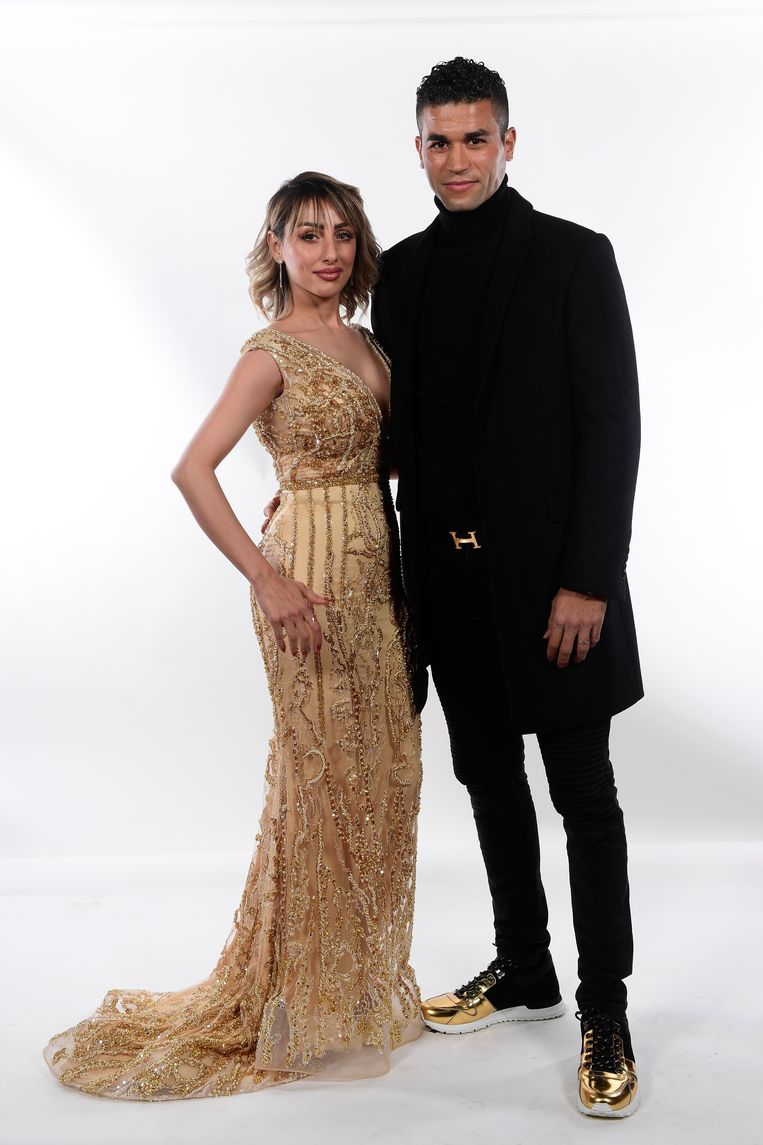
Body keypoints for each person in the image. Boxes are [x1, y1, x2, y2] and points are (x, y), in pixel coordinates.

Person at [43, 171, 423, 1100]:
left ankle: (350, 988)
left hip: (377, 574)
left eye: (341, 233)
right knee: (320, 778)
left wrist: (326, 484)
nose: (327, 251)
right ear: (277, 248)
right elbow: (193, 468)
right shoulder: (270, 352)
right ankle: (296, 1000)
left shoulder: (369, 342)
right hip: (307, 586)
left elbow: (377, 458)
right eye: (307, 234)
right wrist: (268, 573)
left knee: (382, 774)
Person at [370, 58, 643, 1118]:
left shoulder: (575, 257)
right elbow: (409, 429)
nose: (457, 159)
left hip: (552, 590)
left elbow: (610, 429)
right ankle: (524, 964)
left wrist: (588, 580)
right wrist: (314, 484)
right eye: (438, 142)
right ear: (419, 150)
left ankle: (604, 1007)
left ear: (508, 143)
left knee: (584, 796)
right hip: (447, 583)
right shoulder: (401, 273)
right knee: (487, 779)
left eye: (474, 138)